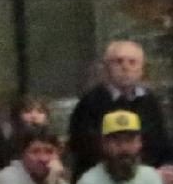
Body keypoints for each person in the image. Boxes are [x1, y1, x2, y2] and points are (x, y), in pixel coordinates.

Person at [61, 38, 166, 176]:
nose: (125, 67)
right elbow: (85, 149)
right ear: (106, 68)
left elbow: (160, 142)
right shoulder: (90, 102)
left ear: (142, 70)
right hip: (104, 176)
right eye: (118, 61)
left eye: (132, 62)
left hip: (150, 173)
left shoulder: (150, 101)